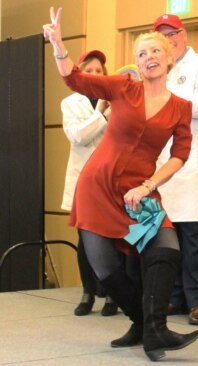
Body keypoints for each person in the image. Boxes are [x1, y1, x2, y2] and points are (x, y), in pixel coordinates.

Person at [43, 7, 198, 361]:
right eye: (142, 54)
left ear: (169, 57)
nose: (149, 58)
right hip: (97, 187)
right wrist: (57, 44)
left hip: (140, 190)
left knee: (167, 247)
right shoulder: (122, 87)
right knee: (106, 270)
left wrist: (148, 186)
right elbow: (75, 79)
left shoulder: (181, 107)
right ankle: (144, 324)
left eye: (156, 50)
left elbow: (180, 154)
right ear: (137, 64)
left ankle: (154, 329)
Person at [153, 14, 198, 326]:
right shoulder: (159, 73)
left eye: (172, 33)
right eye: (162, 36)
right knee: (171, 239)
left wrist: (169, 101)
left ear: (184, 35)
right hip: (165, 168)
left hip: (194, 165)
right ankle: (175, 297)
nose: (168, 40)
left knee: (195, 240)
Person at [60, 49, 119, 317]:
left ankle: (112, 295)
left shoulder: (116, 98)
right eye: (89, 70)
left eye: (99, 71)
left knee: (112, 238)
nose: (95, 75)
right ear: (80, 72)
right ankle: (88, 292)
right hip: (83, 179)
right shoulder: (69, 103)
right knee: (85, 239)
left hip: (110, 179)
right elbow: (77, 136)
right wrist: (101, 114)